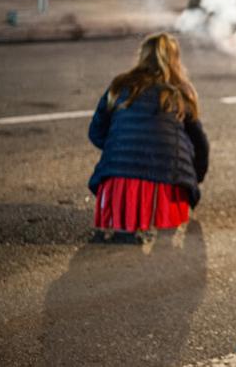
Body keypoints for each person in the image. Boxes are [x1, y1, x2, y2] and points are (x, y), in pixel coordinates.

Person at [88, 32, 209, 244]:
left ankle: (122, 221)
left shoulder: (119, 86)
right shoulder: (181, 93)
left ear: (142, 56)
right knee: (180, 144)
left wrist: (120, 148)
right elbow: (200, 144)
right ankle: (157, 218)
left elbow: (96, 133)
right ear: (175, 59)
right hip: (167, 183)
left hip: (118, 182)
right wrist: (193, 180)